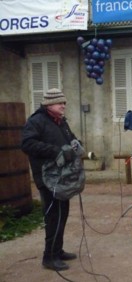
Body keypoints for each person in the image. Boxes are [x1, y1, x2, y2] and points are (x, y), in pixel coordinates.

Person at [22, 88, 78, 270]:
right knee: (53, 216)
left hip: (62, 177)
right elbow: (27, 144)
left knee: (63, 213)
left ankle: (58, 250)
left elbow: (70, 139)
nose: (63, 105)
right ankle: (49, 257)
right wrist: (55, 151)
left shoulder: (60, 121)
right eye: (60, 103)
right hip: (47, 177)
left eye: (64, 103)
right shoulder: (36, 121)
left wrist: (76, 144)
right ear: (49, 104)